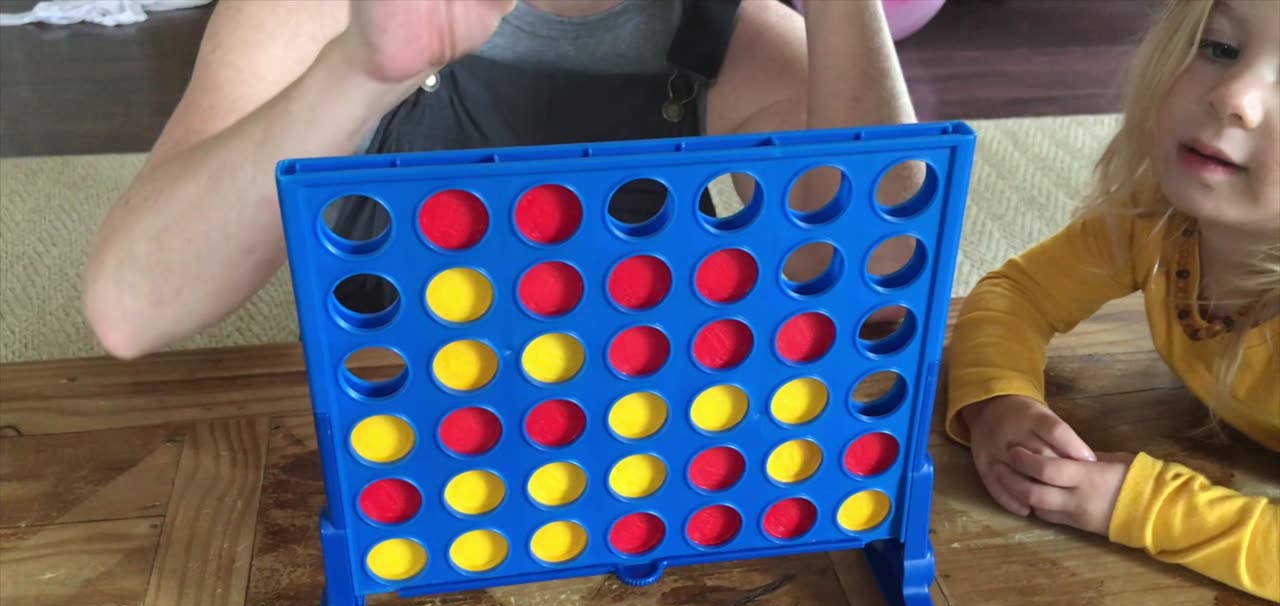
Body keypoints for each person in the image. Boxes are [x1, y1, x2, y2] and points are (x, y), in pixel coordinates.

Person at [81, 0, 919, 359]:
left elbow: (878, 283)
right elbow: (130, 312)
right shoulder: (311, 15)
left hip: (637, 448)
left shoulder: (727, 33)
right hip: (389, 440)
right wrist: (363, 72)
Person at [946, 0, 1278, 602]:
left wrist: (1139, 505)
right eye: (1221, 47)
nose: (1234, 96)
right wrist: (998, 397)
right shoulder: (1156, 216)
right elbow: (1016, 293)